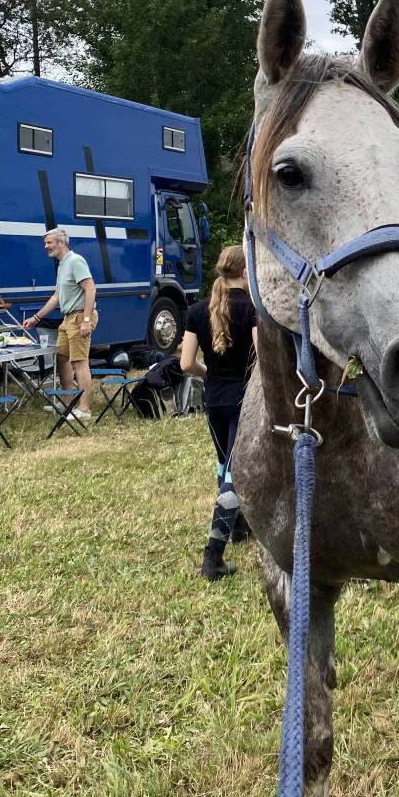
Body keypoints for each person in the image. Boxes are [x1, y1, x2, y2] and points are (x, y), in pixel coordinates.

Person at [181, 245, 257, 581]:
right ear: (245, 272)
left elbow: (186, 363)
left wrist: (210, 374)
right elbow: (262, 356)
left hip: (213, 399)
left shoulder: (197, 310)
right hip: (244, 400)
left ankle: (238, 526)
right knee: (233, 474)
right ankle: (213, 556)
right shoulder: (252, 309)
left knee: (226, 463)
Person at [23, 228, 98, 419]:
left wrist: (86, 320)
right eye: (45, 243)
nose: (46, 246)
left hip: (80, 317)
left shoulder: (75, 261)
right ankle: (67, 402)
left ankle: (84, 409)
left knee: (79, 362)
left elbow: (91, 289)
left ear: (62, 242)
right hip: (68, 318)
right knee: (61, 358)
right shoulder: (62, 265)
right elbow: (56, 296)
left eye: (49, 242)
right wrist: (36, 318)